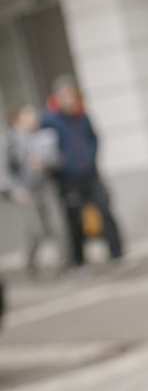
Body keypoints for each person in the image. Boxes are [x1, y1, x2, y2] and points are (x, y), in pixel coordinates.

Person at [42, 76, 124, 268]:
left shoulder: (82, 116)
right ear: (57, 98)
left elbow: (94, 138)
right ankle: (78, 260)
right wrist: (60, 165)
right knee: (74, 218)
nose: (68, 99)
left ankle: (117, 252)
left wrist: (90, 158)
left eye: (70, 95)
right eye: (64, 96)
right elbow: (45, 148)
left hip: (90, 174)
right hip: (67, 179)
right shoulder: (50, 120)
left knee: (104, 209)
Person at [1, 105, 65, 273]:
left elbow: (56, 160)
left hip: (44, 188)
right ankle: (31, 263)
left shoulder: (42, 136)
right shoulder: (9, 141)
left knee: (55, 225)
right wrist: (15, 190)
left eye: (34, 117)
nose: (33, 120)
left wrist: (45, 164)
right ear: (19, 120)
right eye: (29, 117)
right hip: (24, 191)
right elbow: (4, 171)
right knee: (35, 230)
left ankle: (63, 263)